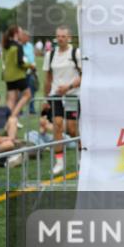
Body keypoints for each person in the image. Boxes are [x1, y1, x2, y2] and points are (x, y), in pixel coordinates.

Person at [43, 26, 82, 175]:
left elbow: (84, 75)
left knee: (72, 129)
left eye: (63, 36)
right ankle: (59, 161)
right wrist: (46, 97)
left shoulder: (76, 53)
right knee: (57, 125)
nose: (60, 39)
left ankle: (81, 156)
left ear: (69, 38)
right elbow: (47, 78)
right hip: (55, 95)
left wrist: (69, 86)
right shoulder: (50, 54)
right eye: (58, 36)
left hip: (72, 94)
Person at [1, 25, 32, 120]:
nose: (22, 35)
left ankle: (7, 122)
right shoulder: (18, 46)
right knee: (27, 95)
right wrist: (30, 65)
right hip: (18, 76)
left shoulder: (6, 45)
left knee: (11, 100)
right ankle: (13, 116)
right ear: (16, 34)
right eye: (21, 33)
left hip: (8, 76)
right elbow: (20, 63)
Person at [21, 29, 38, 114]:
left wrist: (34, 67)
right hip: (21, 72)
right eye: (26, 36)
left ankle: (31, 108)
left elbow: (32, 57)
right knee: (20, 91)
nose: (27, 38)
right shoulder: (18, 46)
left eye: (28, 37)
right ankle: (20, 109)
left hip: (31, 71)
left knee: (32, 89)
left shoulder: (30, 46)